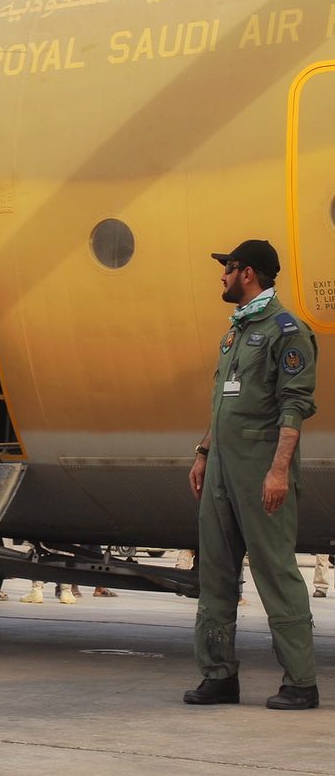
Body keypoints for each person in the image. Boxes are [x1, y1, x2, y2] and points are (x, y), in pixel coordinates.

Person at [185, 239, 319, 710]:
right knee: (215, 574)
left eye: (229, 268)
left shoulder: (287, 330)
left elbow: (294, 406)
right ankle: (219, 676)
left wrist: (279, 471)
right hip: (221, 469)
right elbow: (226, 400)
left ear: (249, 274)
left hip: (261, 468)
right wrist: (203, 451)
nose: (221, 276)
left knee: (275, 573)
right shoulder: (236, 332)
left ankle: (301, 682)